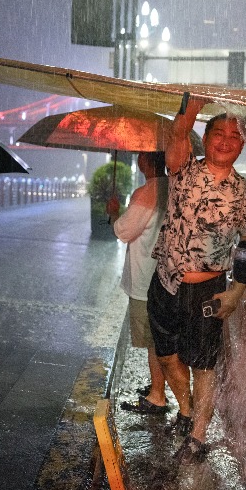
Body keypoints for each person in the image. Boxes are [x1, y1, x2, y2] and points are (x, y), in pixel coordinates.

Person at [148, 101, 246, 464]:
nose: (226, 141)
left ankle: (197, 435)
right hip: (166, 281)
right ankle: (185, 406)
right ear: (206, 140)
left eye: (234, 136)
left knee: (204, 364)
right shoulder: (182, 170)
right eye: (218, 134)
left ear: (242, 146)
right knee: (166, 357)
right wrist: (190, 110)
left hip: (208, 291)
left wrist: (237, 291)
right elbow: (178, 137)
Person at [106, 152, 170, 414]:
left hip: (146, 279)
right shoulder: (172, 187)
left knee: (153, 340)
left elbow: (123, 231)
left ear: (146, 161)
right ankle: (159, 386)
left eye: (141, 154)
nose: (138, 159)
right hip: (166, 276)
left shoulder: (146, 193)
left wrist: (114, 213)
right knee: (160, 337)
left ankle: (157, 396)